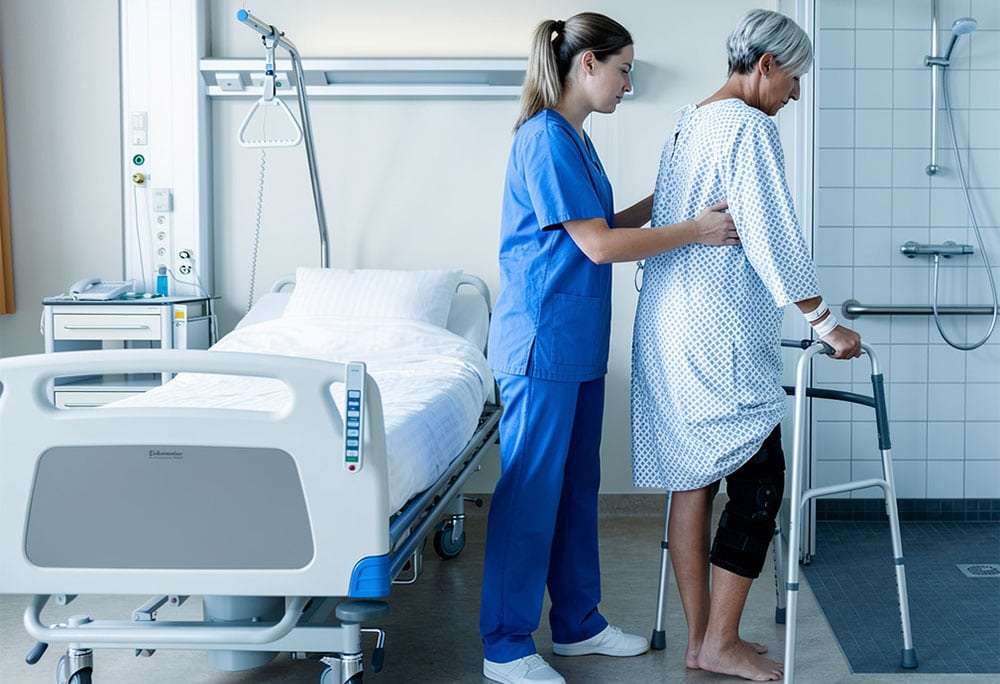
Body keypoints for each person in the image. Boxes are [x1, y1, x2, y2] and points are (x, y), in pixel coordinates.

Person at [481, 12, 739, 684]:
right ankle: (505, 643)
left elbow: (603, 225)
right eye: (623, 69)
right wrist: (695, 232)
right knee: (531, 492)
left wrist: (672, 201)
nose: (629, 83)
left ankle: (577, 624)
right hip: (540, 345)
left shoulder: (576, 138)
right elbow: (597, 247)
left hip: (577, 341)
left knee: (575, 488)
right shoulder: (544, 140)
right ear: (586, 64)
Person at [630, 9, 862, 682]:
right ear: (765, 65)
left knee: (692, 475)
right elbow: (770, 232)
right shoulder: (746, 125)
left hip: (670, 321)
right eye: (793, 79)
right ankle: (722, 641)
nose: (795, 95)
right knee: (759, 478)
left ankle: (703, 641)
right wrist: (826, 323)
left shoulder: (691, 120)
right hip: (714, 327)